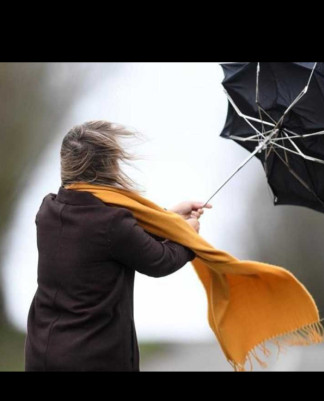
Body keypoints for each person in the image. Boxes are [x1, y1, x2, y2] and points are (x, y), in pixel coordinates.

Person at [24, 120, 212, 371]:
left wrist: (170, 219)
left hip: (42, 352)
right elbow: (160, 260)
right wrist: (190, 237)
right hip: (92, 358)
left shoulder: (48, 209)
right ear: (108, 167)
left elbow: (119, 240)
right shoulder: (111, 223)